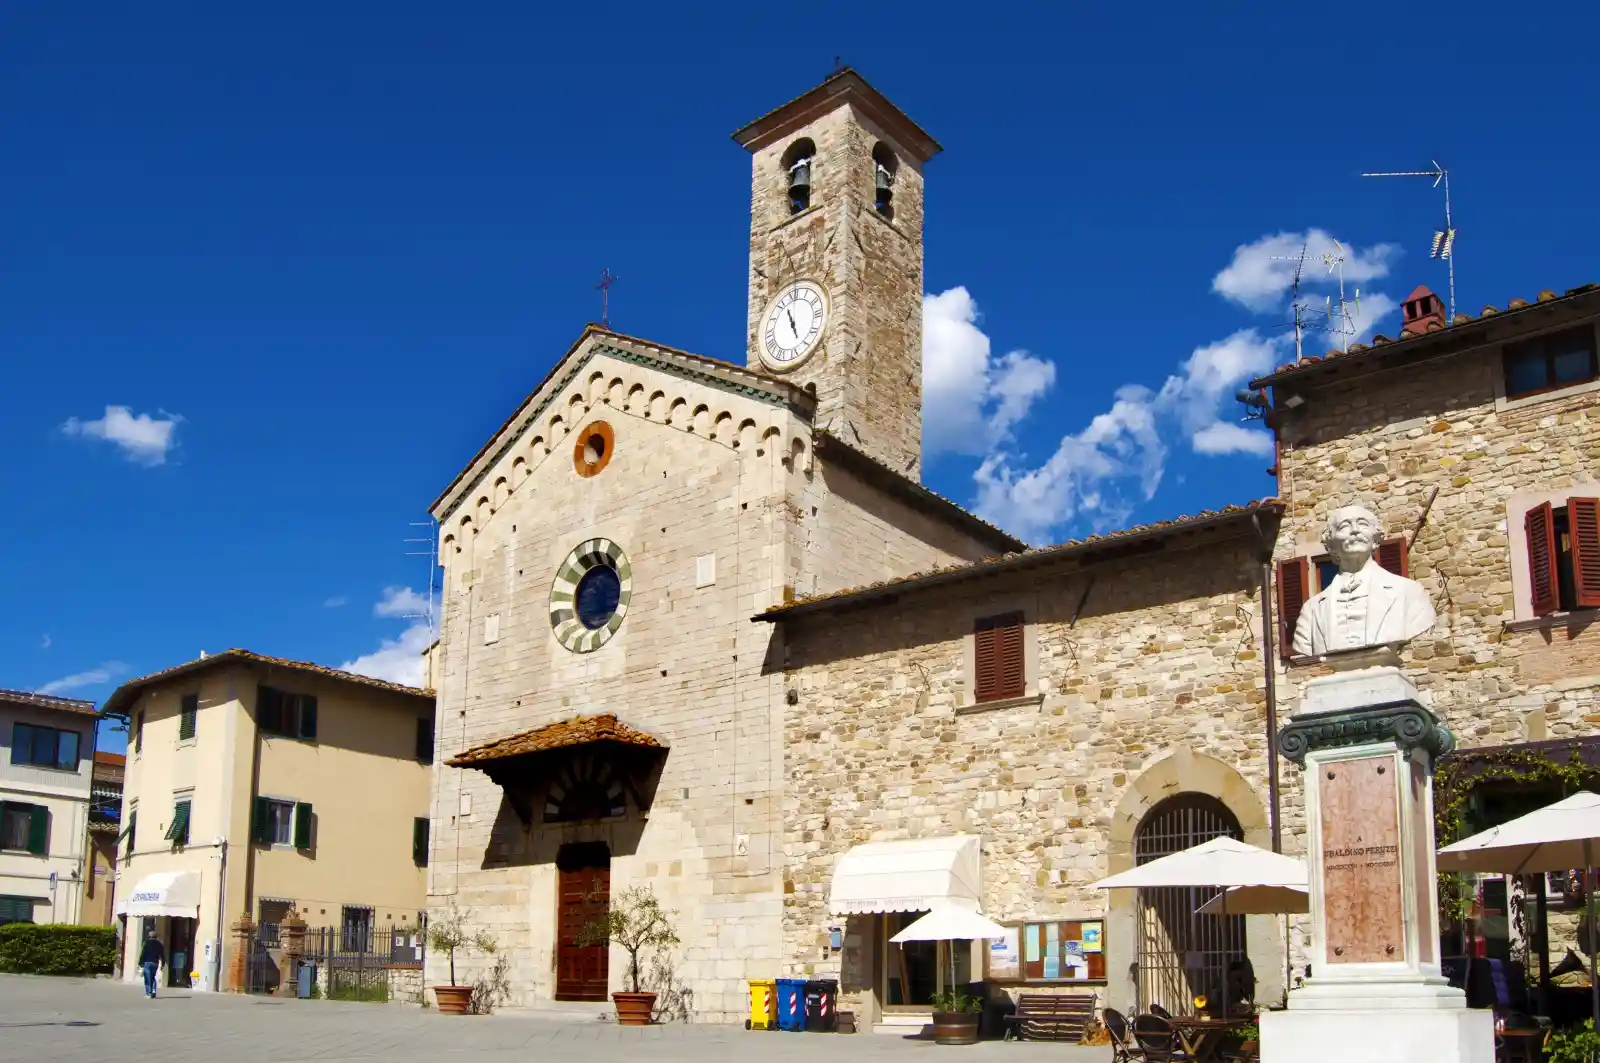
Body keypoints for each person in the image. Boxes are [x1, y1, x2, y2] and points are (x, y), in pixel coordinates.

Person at [1291, 504, 1437, 656]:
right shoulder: (1312, 610)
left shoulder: (1409, 592)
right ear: (1331, 544)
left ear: (1375, 538)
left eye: (1362, 524)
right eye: (1344, 526)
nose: (1355, 530)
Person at [139, 928, 165, 999]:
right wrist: (163, 964)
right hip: (155, 963)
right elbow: (162, 955)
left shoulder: (146, 943)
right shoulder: (159, 944)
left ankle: (149, 993)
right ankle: (153, 991)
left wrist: (140, 962)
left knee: (147, 978)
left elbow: (143, 953)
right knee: (152, 977)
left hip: (147, 962)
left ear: (149, 936)